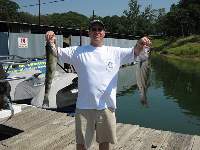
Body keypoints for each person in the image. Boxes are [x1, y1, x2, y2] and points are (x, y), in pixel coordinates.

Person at [45, 20, 151, 150]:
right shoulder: (77, 51)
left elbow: (135, 52)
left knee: (105, 143)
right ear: (89, 33)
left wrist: (141, 44)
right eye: (93, 29)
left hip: (107, 107)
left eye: (99, 29)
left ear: (104, 33)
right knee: (82, 144)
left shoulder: (115, 52)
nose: (96, 32)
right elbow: (55, 52)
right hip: (84, 106)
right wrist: (51, 40)